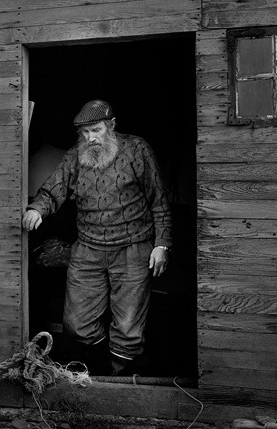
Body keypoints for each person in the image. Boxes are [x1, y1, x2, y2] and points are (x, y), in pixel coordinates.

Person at [22, 99, 172, 376]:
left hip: (133, 248)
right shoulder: (75, 155)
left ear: (111, 126)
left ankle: (118, 378)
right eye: (85, 132)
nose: (91, 138)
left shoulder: (137, 150)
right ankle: (102, 366)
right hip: (88, 249)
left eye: (97, 130)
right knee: (77, 323)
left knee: (127, 326)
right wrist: (36, 209)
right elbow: (53, 188)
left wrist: (162, 244)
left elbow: (159, 200)